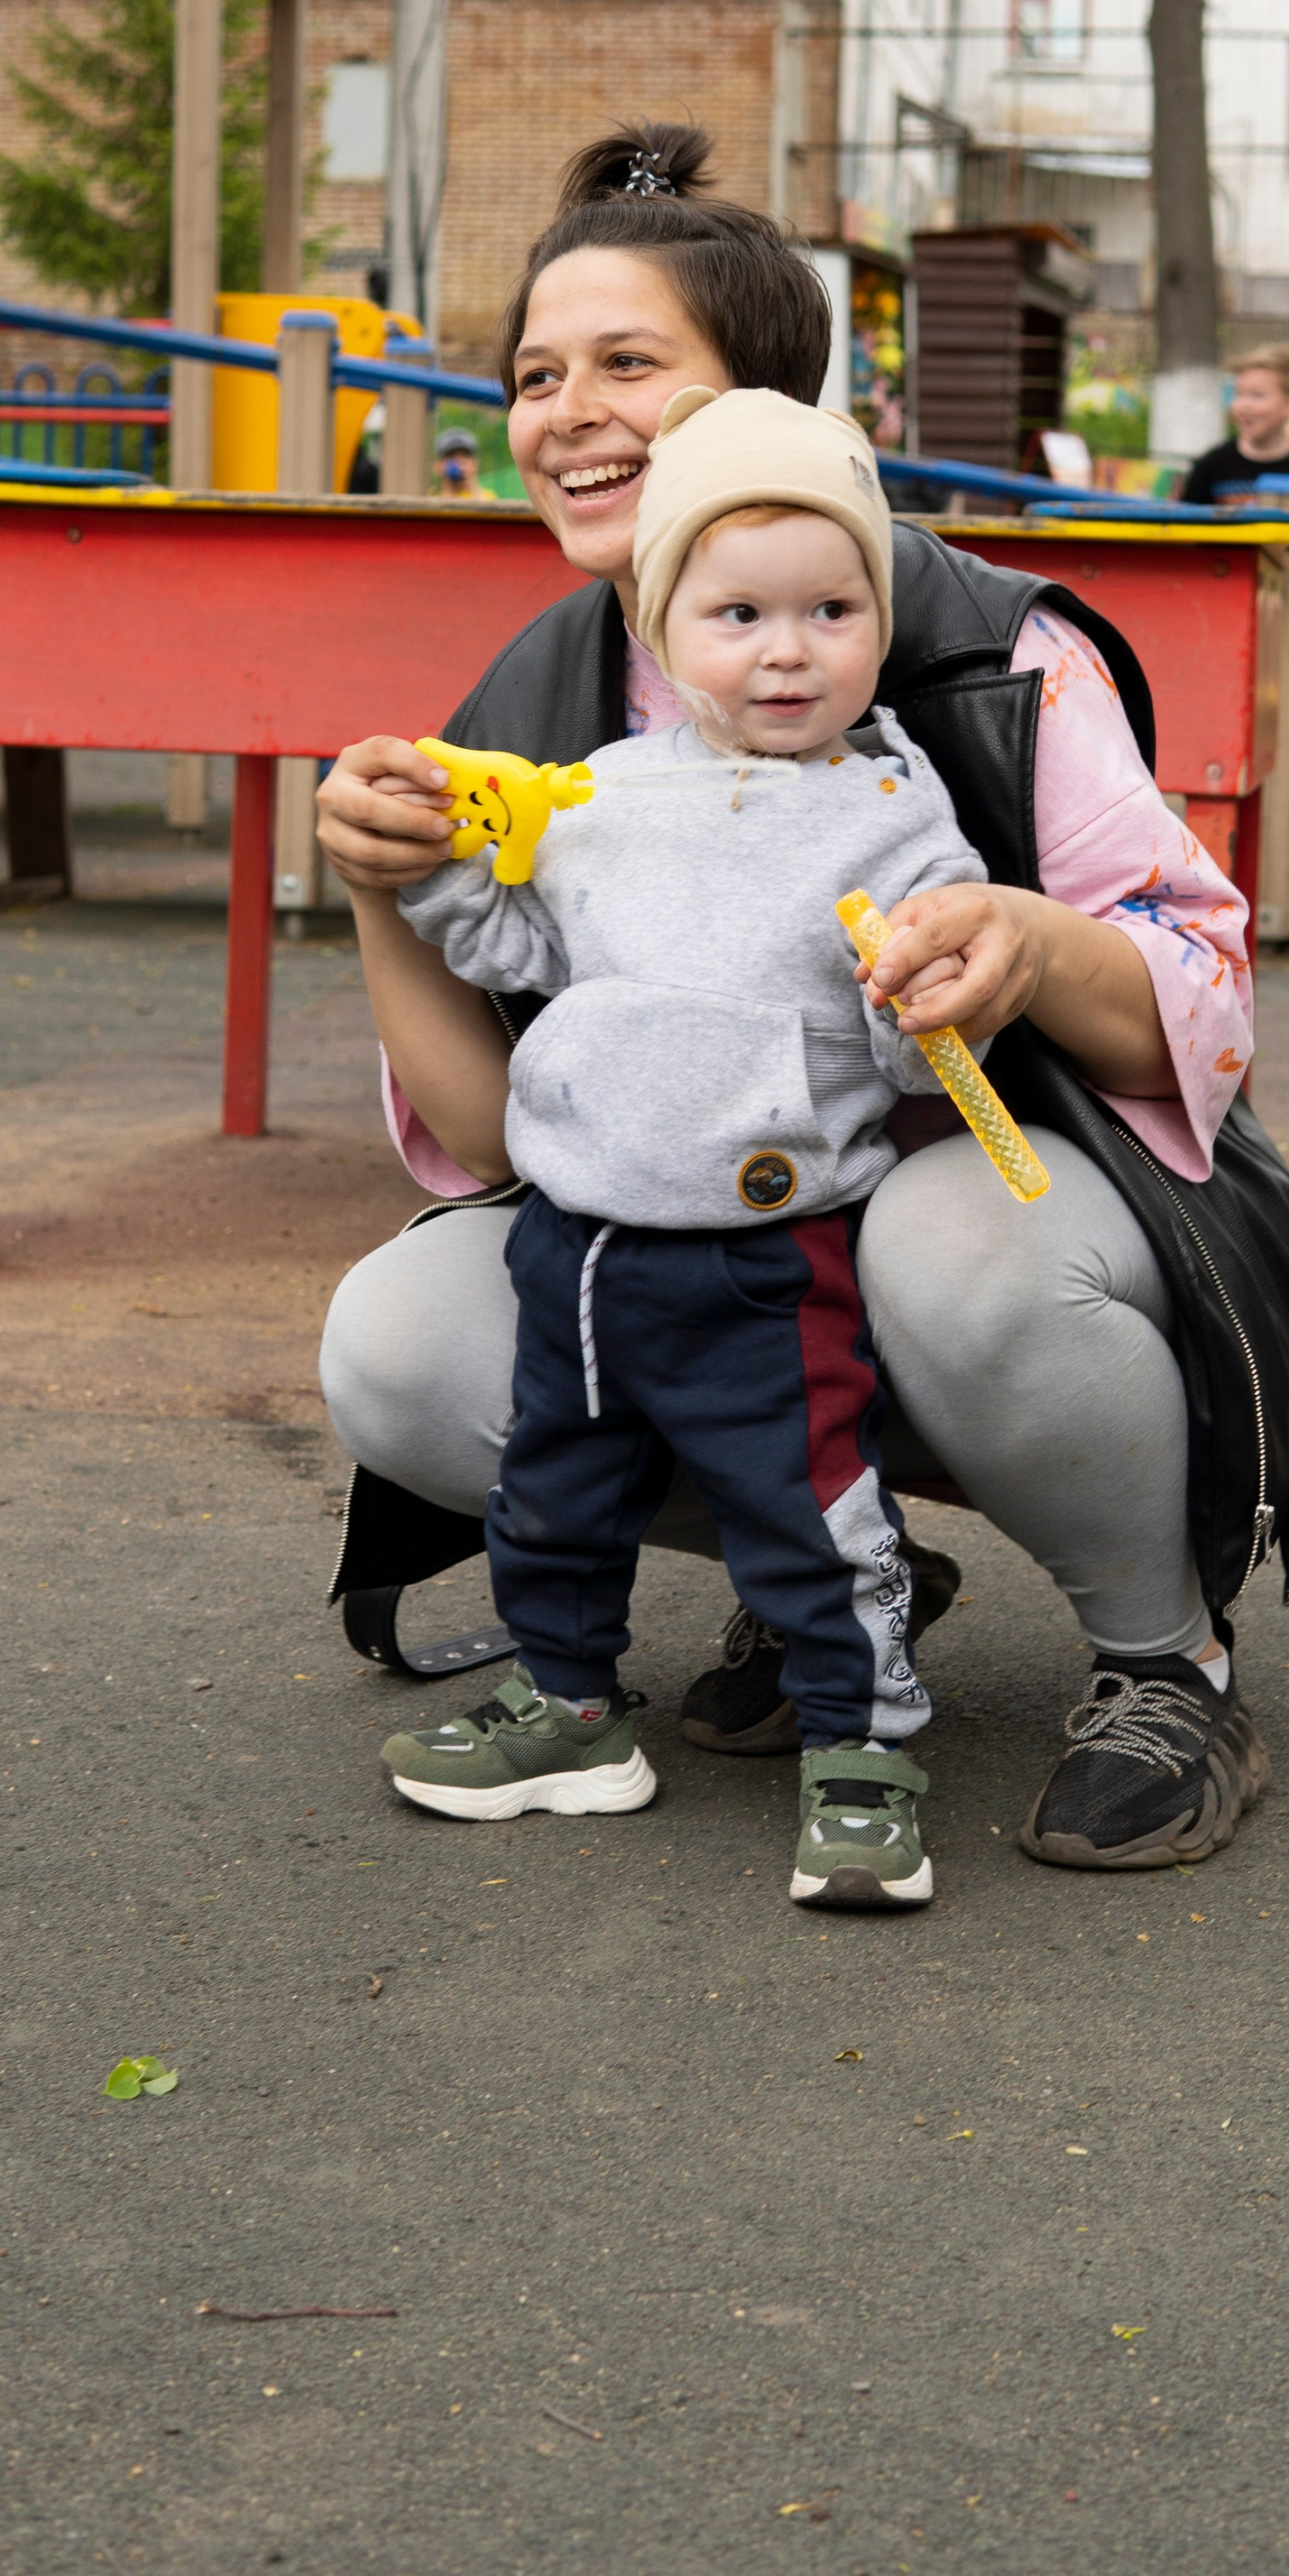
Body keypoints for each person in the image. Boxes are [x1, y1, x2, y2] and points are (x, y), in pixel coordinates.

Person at [316, 123, 1289, 1879]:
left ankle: (1167, 1663)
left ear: (769, 406)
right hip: (722, 1255)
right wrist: (377, 889)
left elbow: (1204, 1001)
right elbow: (500, 1142)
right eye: (536, 376)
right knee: (400, 1342)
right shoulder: (540, 700)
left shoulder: (984, 652)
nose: (568, 413)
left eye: (626, 364)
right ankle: (825, 1560)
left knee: (944, 1244)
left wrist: (1025, 942)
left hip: (1009, 1227)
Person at [380, 387, 989, 1911]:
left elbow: (928, 1044)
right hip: (578, 1239)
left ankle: (862, 1757)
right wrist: (435, 864)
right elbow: (516, 945)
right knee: (552, 1495)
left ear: (880, 620)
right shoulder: (602, 793)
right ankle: (573, 1707)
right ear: (661, 628)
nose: (788, 649)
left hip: (765, 1251)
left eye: (833, 610)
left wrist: (924, 997)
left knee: (810, 1510)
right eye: (739, 615)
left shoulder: (901, 818)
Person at [1179, 341, 1289, 540]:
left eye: (1257, 395)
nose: (1243, 405)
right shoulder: (1210, 465)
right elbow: (1187, 535)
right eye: (1239, 394)